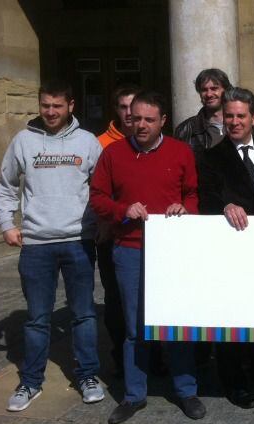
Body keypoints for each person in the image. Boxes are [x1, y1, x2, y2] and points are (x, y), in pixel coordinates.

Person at [90, 91, 206, 424]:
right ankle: (134, 394)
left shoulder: (181, 152)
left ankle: (186, 390)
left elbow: (193, 193)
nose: (140, 125)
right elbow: (97, 197)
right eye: (136, 118)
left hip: (171, 251)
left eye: (148, 120)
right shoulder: (113, 153)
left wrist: (186, 209)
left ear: (162, 122)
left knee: (175, 323)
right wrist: (121, 210)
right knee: (134, 326)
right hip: (129, 249)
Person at [0, 79, 104, 412]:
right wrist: (6, 224)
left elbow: (101, 189)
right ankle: (30, 382)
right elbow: (6, 186)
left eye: (57, 106)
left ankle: (87, 376)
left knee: (83, 314)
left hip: (78, 241)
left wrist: (102, 226)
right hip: (37, 244)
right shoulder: (23, 141)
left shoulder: (88, 143)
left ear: (71, 105)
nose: (51, 112)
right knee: (37, 318)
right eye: (46, 105)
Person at [197, 87, 254, 409]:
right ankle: (234, 381)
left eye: (241, 116)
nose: (235, 122)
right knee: (232, 316)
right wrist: (224, 204)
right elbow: (206, 197)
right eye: (229, 116)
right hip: (230, 248)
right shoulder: (211, 157)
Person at [96, 84, 140, 376]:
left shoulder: (152, 141)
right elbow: (94, 191)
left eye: (133, 108)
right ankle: (120, 359)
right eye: (123, 107)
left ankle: (150, 358)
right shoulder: (99, 144)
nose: (128, 114)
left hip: (142, 237)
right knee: (115, 301)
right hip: (111, 234)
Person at [174, 68, 232, 157]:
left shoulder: (241, 123)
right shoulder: (185, 130)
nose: (209, 94)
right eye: (204, 90)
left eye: (214, 88)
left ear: (226, 90)